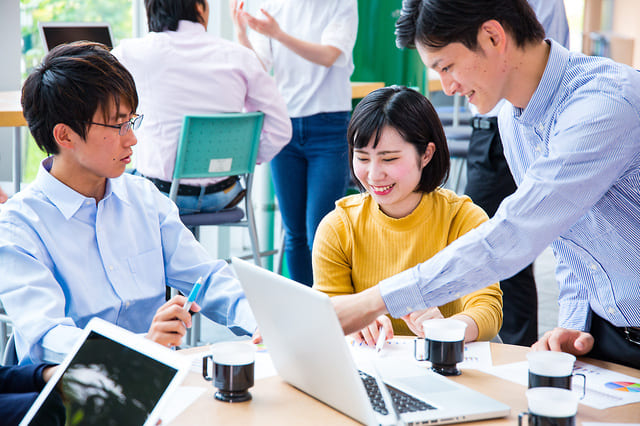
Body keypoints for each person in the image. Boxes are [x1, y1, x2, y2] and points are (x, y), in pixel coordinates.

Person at [331, 0, 640, 370]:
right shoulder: (512, 117)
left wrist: (369, 304)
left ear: (493, 36)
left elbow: (514, 234)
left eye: (447, 67)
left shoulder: (605, 104)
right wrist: (574, 326)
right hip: (607, 333)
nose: (447, 86)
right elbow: (569, 238)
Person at [0, 42, 256, 365]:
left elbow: (208, 278)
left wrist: (259, 321)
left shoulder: (144, 199)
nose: (131, 138)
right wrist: (139, 346)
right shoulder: (19, 226)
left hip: (156, 385)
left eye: (131, 122)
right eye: (117, 125)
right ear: (65, 136)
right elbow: (48, 337)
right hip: (73, 399)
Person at [313, 86, 502, 345]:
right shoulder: (338, 226)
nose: (374, 174)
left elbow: (487, 310)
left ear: (426, 154)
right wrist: (356, 320)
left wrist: (446, 329)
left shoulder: (463, 219)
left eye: (388, 159)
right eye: (362, 158)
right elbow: (327, 311)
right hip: (369, 369)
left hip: (444, 369)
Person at [111, 0, 291, 215]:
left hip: (160, 195)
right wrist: (240, 158)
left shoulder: (131, 53)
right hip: (223, 195)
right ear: (198, 6)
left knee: (116, 180)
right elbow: (281, 129)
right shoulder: (240, 57)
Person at [463, 0, 570, 346]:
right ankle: (520, 351)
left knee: (503, 240)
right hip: (501, 119)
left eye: (446, 66)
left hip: (515, 114)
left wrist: (382, 299)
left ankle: (519, 350)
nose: (447, 84)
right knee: (506, 241)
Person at [230, 0, 358, 285]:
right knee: (294, 233)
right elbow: (260, 68)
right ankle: (306, 317)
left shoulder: (342, 4)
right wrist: (241, 34)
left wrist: (278, 34)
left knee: (320, 232)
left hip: (329, 125)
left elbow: (329, 55)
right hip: (285, 128)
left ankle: (332, 312)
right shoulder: (273, 6)